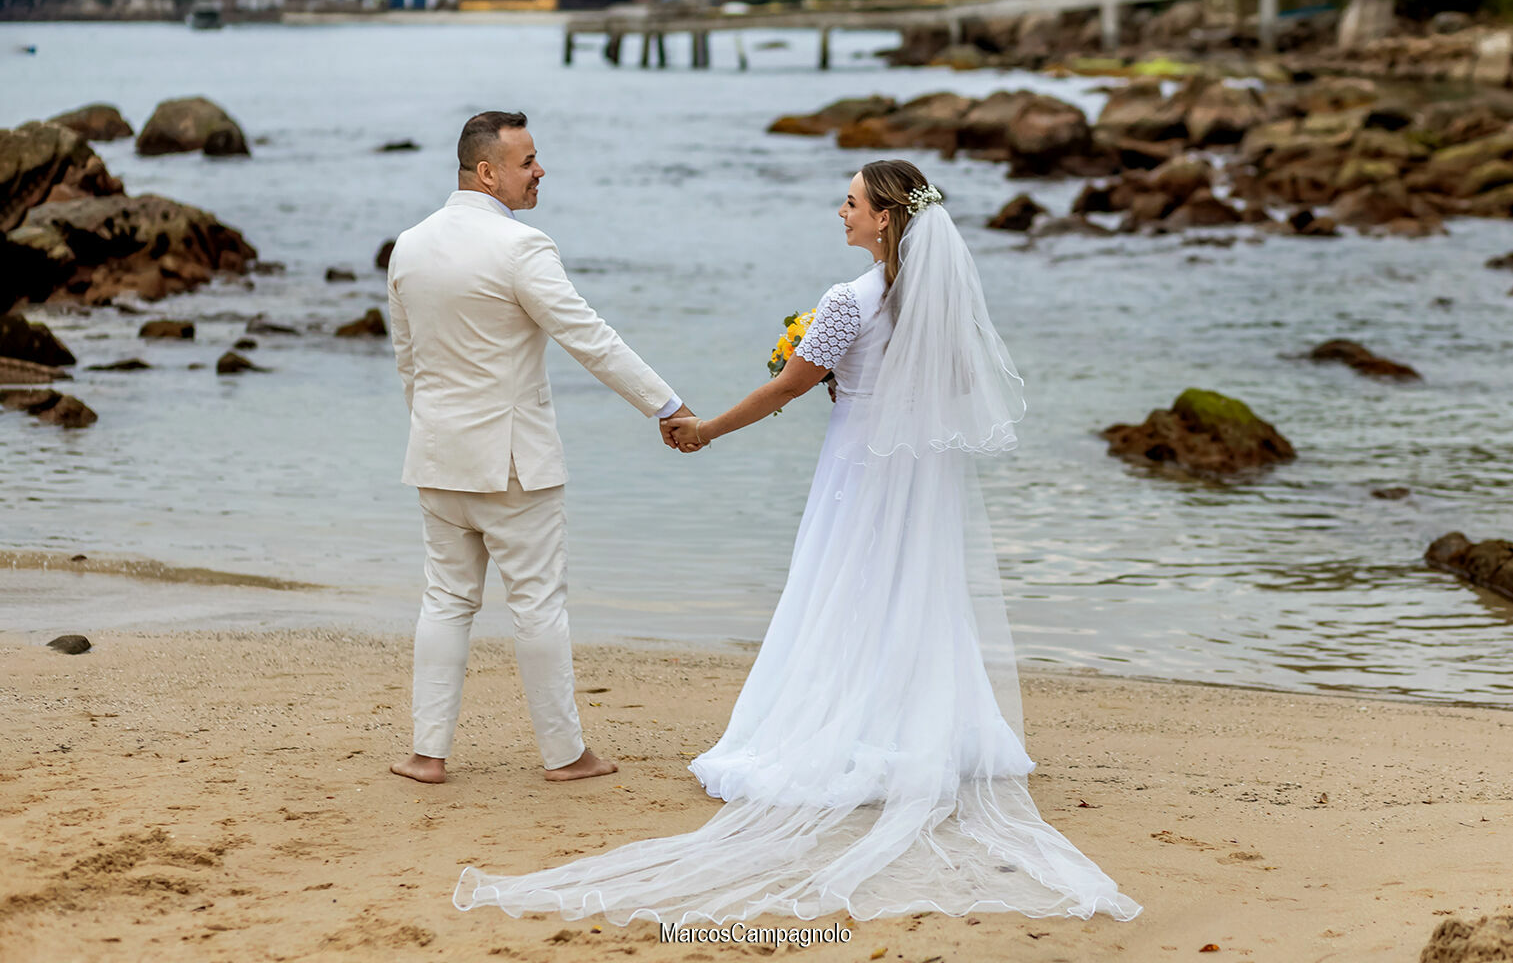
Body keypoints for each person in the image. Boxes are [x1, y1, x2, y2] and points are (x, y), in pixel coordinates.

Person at [453, 159, 1141, 923]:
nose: (837, 211)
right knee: (909, 590)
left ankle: (845, 732)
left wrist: (706, 428)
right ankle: (912, 728)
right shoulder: (931, 300)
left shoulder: (848, 300)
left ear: (884, 217)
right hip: (913, 471)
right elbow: (943, 388)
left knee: (841, 588)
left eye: (848, 202)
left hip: (858, 466)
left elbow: (789, 386)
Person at [386, 110, 696, 786]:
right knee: (537, 605)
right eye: (527, 162)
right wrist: (667, 406)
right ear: (487, 171)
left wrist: (436, 429)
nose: (540, 171)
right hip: (513, 466)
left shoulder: (408, 246)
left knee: (444, 600)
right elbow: (591, 338)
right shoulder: (519, 248)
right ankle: (564, 754)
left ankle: (426, 754)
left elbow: (408, 360)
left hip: (438, 455)